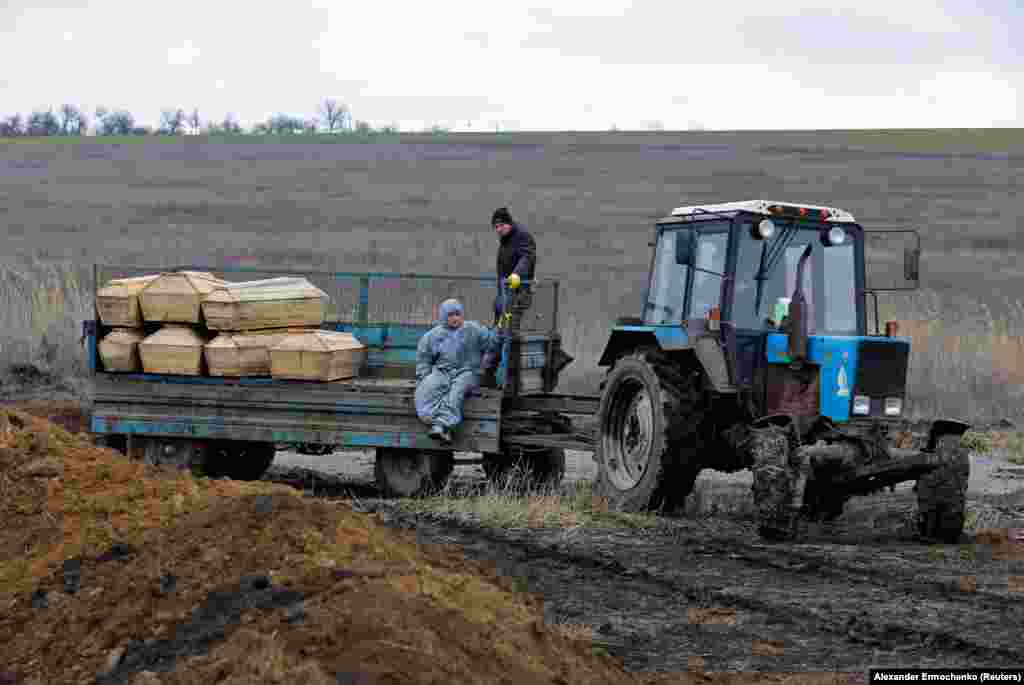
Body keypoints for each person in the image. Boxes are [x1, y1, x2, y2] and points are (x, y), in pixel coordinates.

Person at [415, 298, 501, 445]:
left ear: (462, 315)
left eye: (457, 314)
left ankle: (442, 425)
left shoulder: (473, 329)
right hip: (443, 371)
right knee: (426, 389)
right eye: (450, 315)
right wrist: (424, 375)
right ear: (443, 317)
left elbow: (491, 343)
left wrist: (499, 329)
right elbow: (424, 357)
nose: (455, 318)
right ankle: (433, 420)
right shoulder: (434, 336)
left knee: (456, 391)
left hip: (467, 371)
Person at [480, 206, 537, 387]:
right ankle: (490, 374)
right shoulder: (505, 240)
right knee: (499, 331)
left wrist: (517, 275)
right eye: (495, 227)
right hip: (504, 295)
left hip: (517, 293)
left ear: (509, 223)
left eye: (501, 225)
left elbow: (527, 258)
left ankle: (502, 376)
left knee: (506, 334)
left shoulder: (522, 236)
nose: (498, 230)